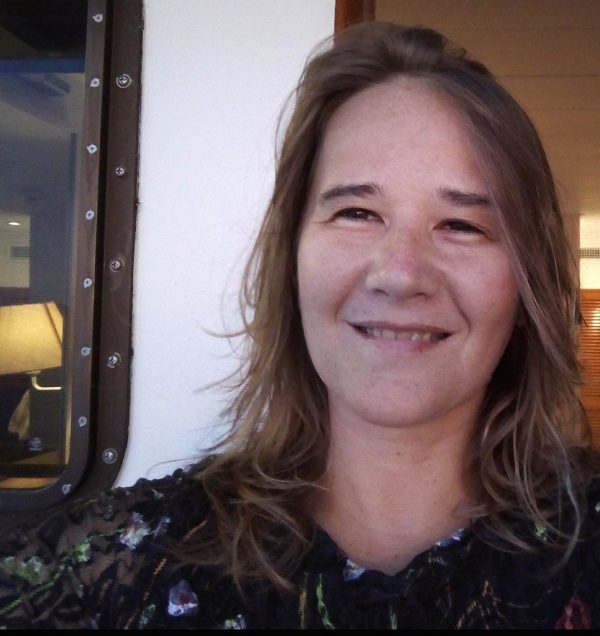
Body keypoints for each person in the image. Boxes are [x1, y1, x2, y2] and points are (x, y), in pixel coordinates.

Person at [0, 21, 599, 630]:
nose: (399, 274)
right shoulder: (115, 570)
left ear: (525, 281)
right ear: (291, 257)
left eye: (462, 225)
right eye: (357, 212)